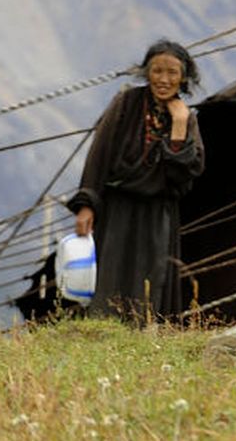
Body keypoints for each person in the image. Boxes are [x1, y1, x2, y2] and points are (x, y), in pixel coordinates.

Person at [65, 39, 206, 319]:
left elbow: (182, 179)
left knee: (151, 282)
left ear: (183, 78)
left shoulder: (186, 119)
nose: (164, 80)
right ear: (146, 73)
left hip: (158, 214)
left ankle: (142, 336)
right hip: (118, 209)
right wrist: (86, 205)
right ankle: (101, 333)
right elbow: (100, 155)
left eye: (172, 73)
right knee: (110, 276)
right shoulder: (126, 104)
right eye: (157, 71)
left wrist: (178, 128)